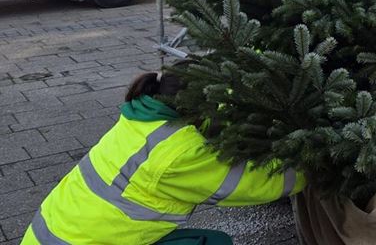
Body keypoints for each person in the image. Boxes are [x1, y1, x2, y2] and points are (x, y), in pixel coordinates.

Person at [22, 65, 305, 245]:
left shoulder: (142, 119)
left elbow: (215, 115)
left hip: (54, 235)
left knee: (209, 239)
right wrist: (315, 159)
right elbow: (264, 182)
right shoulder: (177, 156)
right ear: (198, 105)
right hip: (78, 241)